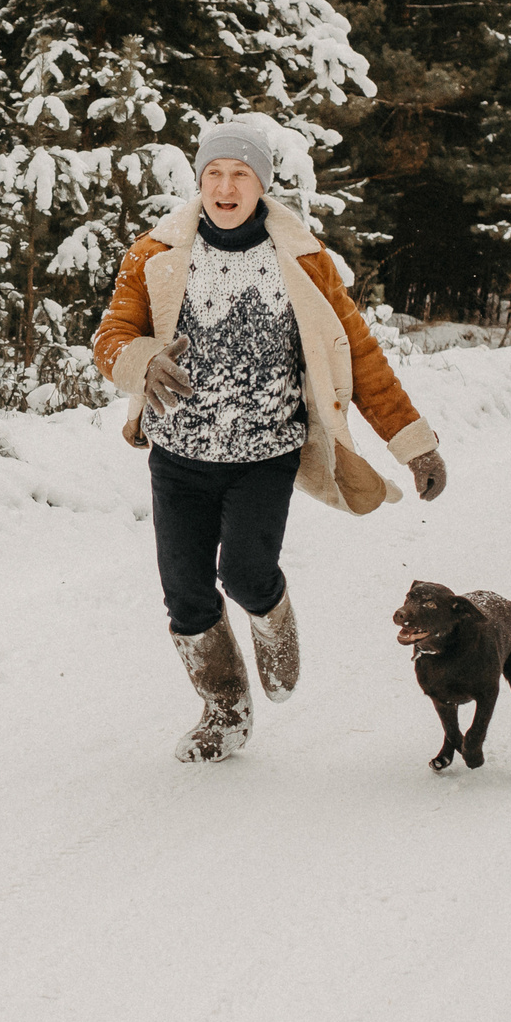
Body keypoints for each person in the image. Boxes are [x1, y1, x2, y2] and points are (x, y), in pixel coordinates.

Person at [92, 121, 446, 762]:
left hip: (265, 452)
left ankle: (272, 620)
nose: (226, 187)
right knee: (186, 592)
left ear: (261, 184)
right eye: (214, 174)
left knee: (247, 574)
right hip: (179, 454)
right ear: (199, 181)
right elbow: (112, 333)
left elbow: (359, 355)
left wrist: (412, 442)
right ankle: (223, 711)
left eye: (240, 174)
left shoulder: (304, 262)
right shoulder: (155, 253)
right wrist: (142, 359)